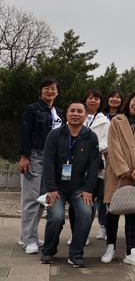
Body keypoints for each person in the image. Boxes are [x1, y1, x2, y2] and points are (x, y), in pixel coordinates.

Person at [40, 101, 99, 267]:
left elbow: (94, 164)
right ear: (66, 114)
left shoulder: (90, 136)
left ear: (85, 116)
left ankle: (76, 254)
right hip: (56, 187)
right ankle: (48, 251)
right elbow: (48, 162)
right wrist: (50, 189)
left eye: (80, 111)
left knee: (86, 213)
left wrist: (89, 189)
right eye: (72, 110)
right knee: (56, 217)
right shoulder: (55, 135)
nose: (75, 114)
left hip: (79, 187)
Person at [101, 88, 135, 267]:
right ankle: (110, 246)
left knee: (133, 213)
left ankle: (131, 251)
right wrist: (123, 169)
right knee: (113, 212)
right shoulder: (117, 120)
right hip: (117, 174)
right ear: (129, 101)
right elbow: (113, 146)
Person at [18, 76, 63, 254]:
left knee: (43, 199)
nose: (50, 91)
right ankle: (29, 239)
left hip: (52, 160)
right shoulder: (32, 109)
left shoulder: (59, 112)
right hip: (35, 156)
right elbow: (25, 132)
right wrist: (24, 156)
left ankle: (28, 235)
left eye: (53, 88)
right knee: (31, 199)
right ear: (41, 91)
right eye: (46, 88)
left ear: (57, 92)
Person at [73, 89, 110, 243]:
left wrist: (89, 149)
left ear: (100, 102)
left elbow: (107, 142)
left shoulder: (105, 121)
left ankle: (98, 228)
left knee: (94, 199)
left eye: (96, 98)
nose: (92, 101)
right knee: (78, 200)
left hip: (96, 164)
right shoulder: (77, 116)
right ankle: (78, 234)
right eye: (90, 98)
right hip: (77, 164)